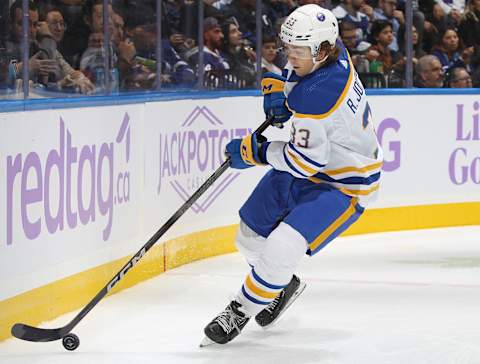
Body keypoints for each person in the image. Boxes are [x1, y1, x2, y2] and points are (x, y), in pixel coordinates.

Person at [201, 4, 383, 346]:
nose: (290, 56)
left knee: (281, 248)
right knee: (249, 236)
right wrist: (279, 88)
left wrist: (254, 152)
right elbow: (299, 79)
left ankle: (240, 309)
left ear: (322, 49)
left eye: (296, 51)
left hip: (344, 184)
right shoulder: (330, 50)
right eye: (288, 48)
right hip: (315, 163)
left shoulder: (317, 96)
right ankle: (280, 285)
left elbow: (303, 164)